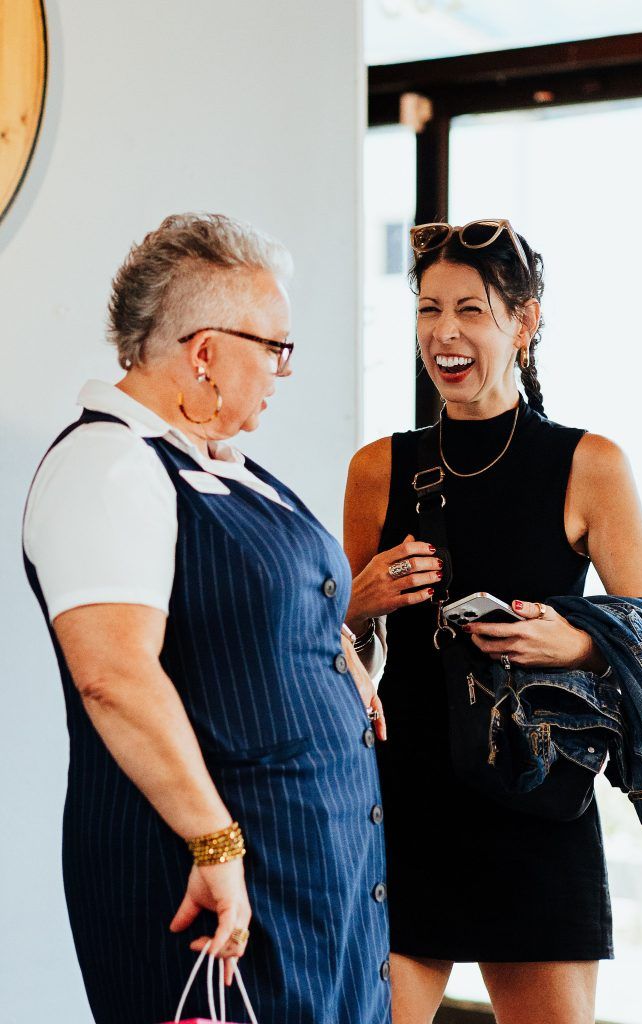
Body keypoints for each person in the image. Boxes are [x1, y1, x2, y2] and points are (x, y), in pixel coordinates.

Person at [23, 213, 390, 1024]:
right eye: (275, 346)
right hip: (206, 877)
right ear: (204, 350)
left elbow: (244, 610)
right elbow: (113, 674)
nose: (283, 370)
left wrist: (335, 658)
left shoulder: (221, 465)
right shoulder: (108, 466)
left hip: (310, 872)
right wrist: (214, 844)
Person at [343, 219, 642, 1024]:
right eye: (426, 310)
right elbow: (331, 649)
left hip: (535, 799)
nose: (443, 333)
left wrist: (578, 639)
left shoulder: (590, 464)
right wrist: (357, 600)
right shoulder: (379, 467)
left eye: (470, 310)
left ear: (524, 321)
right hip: (406, 800)